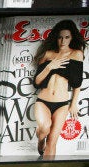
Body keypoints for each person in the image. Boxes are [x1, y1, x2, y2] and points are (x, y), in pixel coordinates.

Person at [33, 19, 86, 156]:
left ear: (72, 37)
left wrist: (73, 104)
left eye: (67, 37)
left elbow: (77, 82)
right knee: (44, 128)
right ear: (56, 38)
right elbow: (37, 82)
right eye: (60, 37)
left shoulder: (76, 54)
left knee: (52, 142)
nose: (63, 41)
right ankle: (40, 141)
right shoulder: (48, 54)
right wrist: (50, 66)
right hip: (43, 101)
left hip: (62, 103)